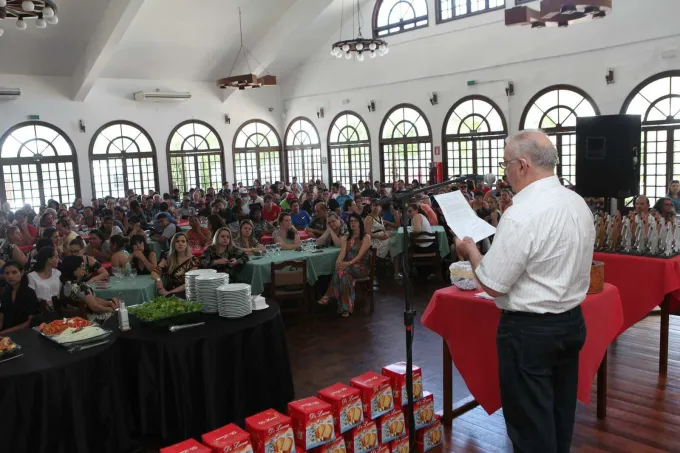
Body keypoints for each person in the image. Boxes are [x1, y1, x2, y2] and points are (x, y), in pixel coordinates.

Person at [454, 130, 593, 453]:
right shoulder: (576, 202)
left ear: (522, 165)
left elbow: (492, 282)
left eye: (505, 165)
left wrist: (471, 250)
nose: (504, 173)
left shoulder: (522, 214)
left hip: (530, 331)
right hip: (571, 322)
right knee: (559, 417)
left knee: (530, 427)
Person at [317, 213, 371, 317]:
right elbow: (342, 253)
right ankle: (346, 309)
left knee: (343, 271)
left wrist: (348, 263)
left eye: (355, 221)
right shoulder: (346, 237)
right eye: (351, 221)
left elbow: (360, 256)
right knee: (344, 275)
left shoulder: (366, 237)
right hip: (348, 267)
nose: (353, 223)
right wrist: (338, 263)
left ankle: (328, 295)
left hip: (360, 267)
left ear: (360, 222)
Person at [58, 256, 118, 320]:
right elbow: (95, 307)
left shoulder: (64, 284)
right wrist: (111, 309)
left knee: (113, 300)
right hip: (91, 319)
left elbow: (92, 299)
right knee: (119, 306)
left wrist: (109, 303)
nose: (83, 268)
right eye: (81, 266)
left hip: (74, 319)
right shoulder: (81, 287)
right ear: (73, 270)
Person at [153, 232, 198, 297]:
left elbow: (190, 282)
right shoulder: (168, 258)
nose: (180, 244)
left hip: (185, 292)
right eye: (177, 241)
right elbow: (155, 272)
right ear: (173, 244)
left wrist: (170, 293)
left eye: (183, 241)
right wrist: (160, 285)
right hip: (168, 290)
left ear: (186, 244)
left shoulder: (193, 261)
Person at [0, 261, 39, 334]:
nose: (10, 276)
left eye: (14, 272)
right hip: (5, 331)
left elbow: (30, 322)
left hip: (23, 333)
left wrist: (5, 332)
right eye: (7, 273)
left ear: (22, 273)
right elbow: (2, 314)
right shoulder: (6, 292)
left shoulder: (29, 293)